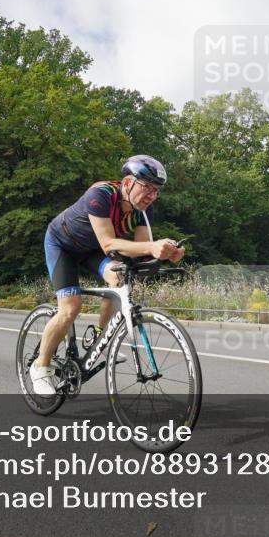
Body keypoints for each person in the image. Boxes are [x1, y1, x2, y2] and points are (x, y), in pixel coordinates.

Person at [30, 155, 184, 397]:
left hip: (92, 250)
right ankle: (41, 366)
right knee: (70, 308)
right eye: (147, 188)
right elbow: (109, 242)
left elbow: (142, 251)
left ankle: (99, 339)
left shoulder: (144, 212)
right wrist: (153, 247)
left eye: (156, 191)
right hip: (64, 245)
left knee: (120, 276)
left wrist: (166, 253)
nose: (152, 196)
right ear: (127, 183)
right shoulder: (100, 195)